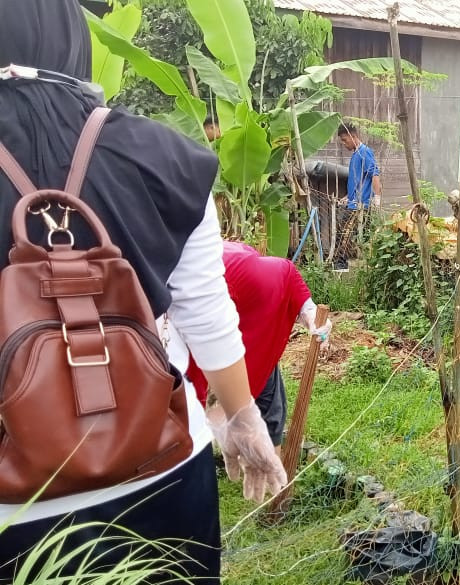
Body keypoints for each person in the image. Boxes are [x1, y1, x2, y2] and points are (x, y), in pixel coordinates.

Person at [0, 1, 285, 582]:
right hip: (161, 468)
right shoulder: (163, 155)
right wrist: (242, 418)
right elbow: (206, 310)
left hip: (16, 503)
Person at [185, 241, 333, 454]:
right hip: (192, 339)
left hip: (253, 328)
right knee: (185, 406)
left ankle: (269, 473)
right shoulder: (186, 287)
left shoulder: (255, 276)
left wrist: (314, 320)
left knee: (269, 407)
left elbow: (297, 293)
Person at [333, 121, 381, 269]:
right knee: (344, 230)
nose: (344, 143)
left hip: (361, 204)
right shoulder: (355, 155)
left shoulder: (364, 152)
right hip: (353, 202)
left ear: (353, 136)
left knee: (346, 232)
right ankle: (342, 262)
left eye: (345, 140)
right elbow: (358, 181)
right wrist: (347, 198)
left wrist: (377, 198)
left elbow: (374, 174)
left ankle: (341, 263)